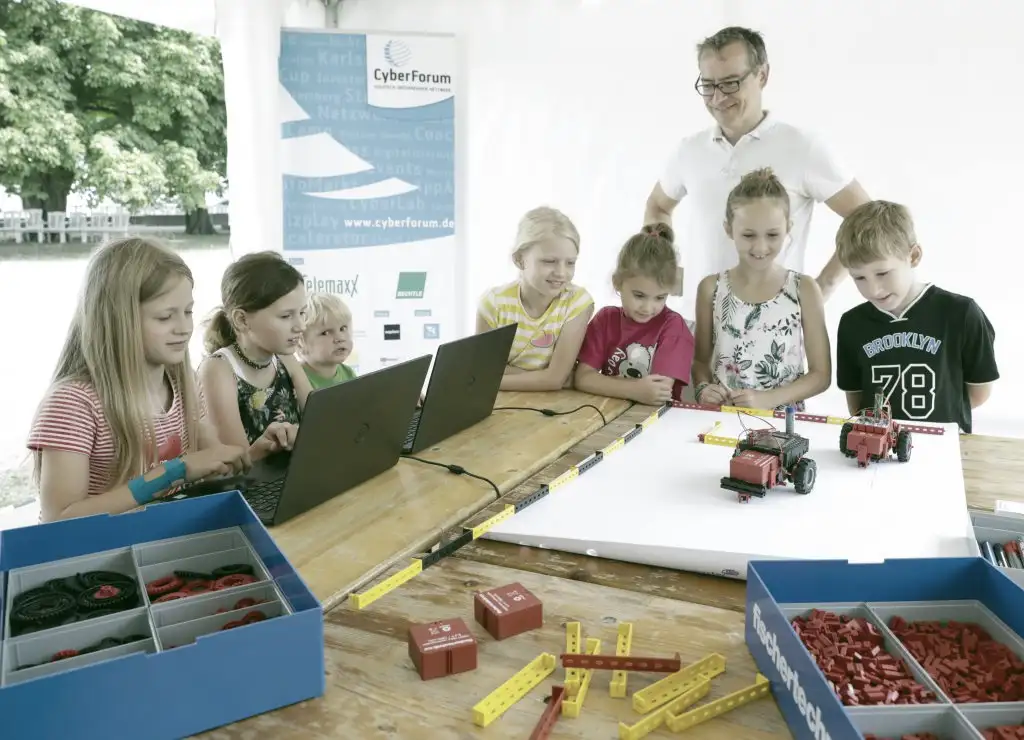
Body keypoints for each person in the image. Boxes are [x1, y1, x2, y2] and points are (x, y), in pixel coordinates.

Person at [643, 25, 871, 318]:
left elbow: (866, 217)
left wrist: (822, 288)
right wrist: (662, 263)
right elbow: (658, 204)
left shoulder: (803, 147)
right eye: (709, 85)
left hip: (773, 327)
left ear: (762, 75)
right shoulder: (689, 150)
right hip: (694, 325)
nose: (718, 97)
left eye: (730, 83)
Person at [27, 237, 248, 522]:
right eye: (165, 317)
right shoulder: (73, 404)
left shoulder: (185, 384)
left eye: (188, 312)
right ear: (118, 320)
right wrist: (174, 472)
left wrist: (252, 454)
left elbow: (210, 456)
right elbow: (60, 519)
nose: (184, 328)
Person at [835, 200, 998, 433]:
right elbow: (857, 402)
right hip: (878, 449)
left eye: (882, 272)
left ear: (913, 256)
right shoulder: (852, 324)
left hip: (943, 446)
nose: (873, 289)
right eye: (859, 278)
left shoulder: (961, 313)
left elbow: (978, 392)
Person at [691, 168, 831, 411]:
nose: (760, 246)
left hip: (786, 425)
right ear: (728, 229)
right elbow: (700, 362)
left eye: (772, 234)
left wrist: (769, 399)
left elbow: (821, 375)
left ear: (788, 228)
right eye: (748, 235)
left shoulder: (804, 290)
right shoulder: (710, 289)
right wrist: (703, 388)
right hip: (723, 419)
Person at [199, 251, 313, 461]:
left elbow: (319, 422)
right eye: (286, 316)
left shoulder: (286, 359)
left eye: (302, 313)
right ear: (242, 320)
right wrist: (267, 447)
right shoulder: (218, 370)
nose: (301, 326)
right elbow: (235, 465)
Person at [574, 223, 695, 405]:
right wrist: (635, 389)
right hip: (609, 413)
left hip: (657, 420)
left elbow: (659, 391)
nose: (648, 307)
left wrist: (607, 384)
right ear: (617, 282)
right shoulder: (605, 320)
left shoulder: (673, 326)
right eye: (639, 295)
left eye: (660, 298)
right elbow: (583, 378)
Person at [476, 206, 594, 391]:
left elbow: (554, 380)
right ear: (519, 260)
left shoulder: (577, 303)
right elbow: (483, 370)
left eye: (570, 263)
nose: (562, 273)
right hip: (502, 404)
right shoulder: (493, 304)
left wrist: (486, 382)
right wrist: (545, 377)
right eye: (549, 261)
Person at [298, 292, 357, 389]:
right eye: (326, 333)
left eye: (343, 328)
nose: (340, 338)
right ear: (300, 342)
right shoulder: (296, 380)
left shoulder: (349, 374)